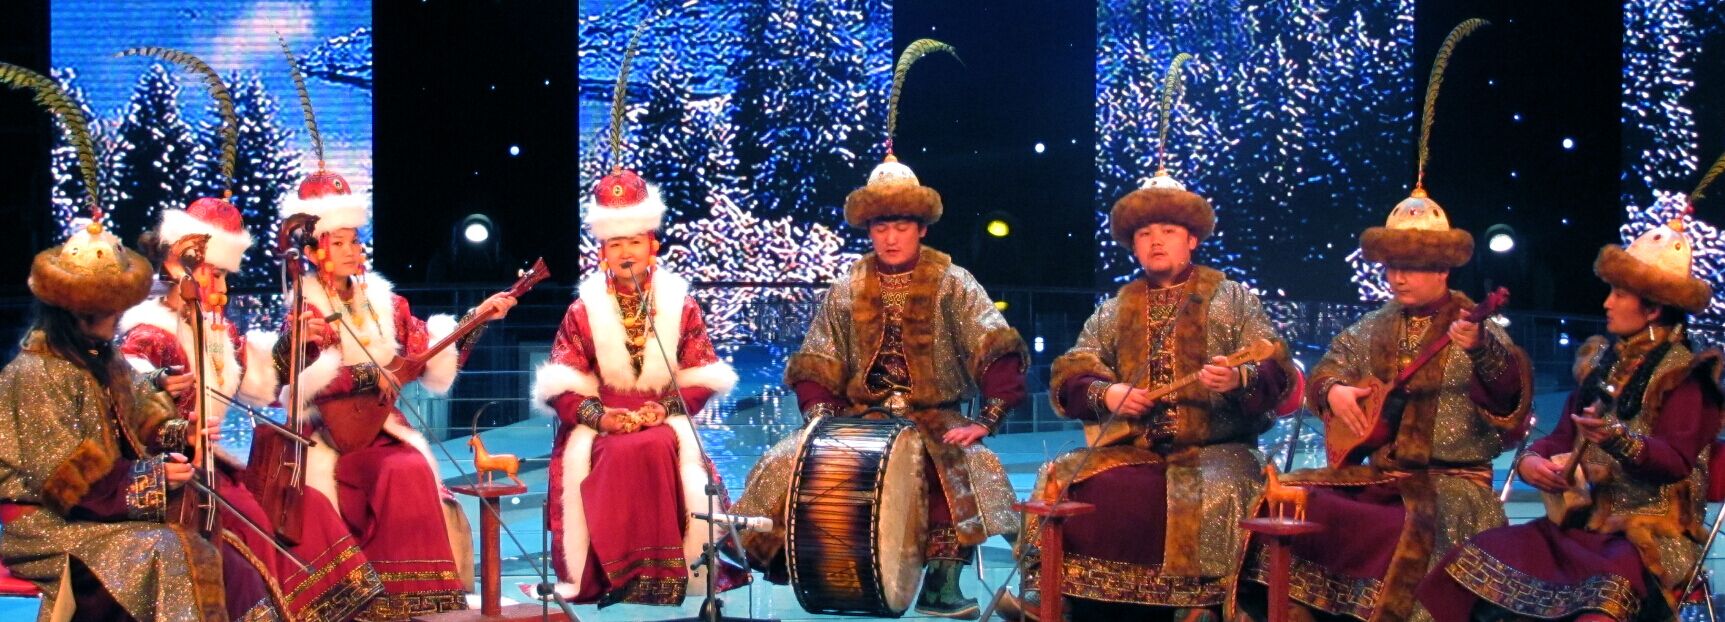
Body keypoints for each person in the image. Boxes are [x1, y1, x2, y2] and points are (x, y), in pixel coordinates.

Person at [1231, 21, 1532, 622]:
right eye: (1392, 266)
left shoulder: (1478, 328)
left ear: (1442, 268)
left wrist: (1479, 350)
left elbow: (1509, 400)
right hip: (1381, 476)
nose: (1396, 278)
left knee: (1402, 524)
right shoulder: (1371, 327)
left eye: (1410, 267)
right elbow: (1324, 374)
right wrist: (1335, 392)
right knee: (1291, 498)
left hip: (1453, 488)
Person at [731, 39, 1026, 619]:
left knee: (968, 470)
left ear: (921, 227)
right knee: (785, 463)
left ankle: (942, 586)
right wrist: (821, 421)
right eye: (881, 227)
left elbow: (996, 348)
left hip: (935, 418)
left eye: (902, 226)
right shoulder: (848, 286)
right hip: (858, 420)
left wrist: (986, 419)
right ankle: (800, 564)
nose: (891, 237)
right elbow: (817, 360)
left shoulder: (953, 282)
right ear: (870, 229)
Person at [0, 60, 244, 621]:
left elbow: (140, 411)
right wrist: (151, 477)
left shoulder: (101, 358)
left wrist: (181, 433)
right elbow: (64, 474)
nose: (117, 321)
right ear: (81, 311)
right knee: (167, 551)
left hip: (95, 513)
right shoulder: (34, 372)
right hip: (46, 524)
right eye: (109, 311)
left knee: (213, 545)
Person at [1417, 182, 1724, 621]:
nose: (1607, 303)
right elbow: (1558, 438)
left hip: (1650, 538)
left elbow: (1674, 461)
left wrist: (1616, 438)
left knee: (1598, 598)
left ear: (1654, 309)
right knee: (1470, 563)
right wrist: (1532, 463)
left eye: (1619, 294)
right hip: (1583, 526)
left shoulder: (1687, 378)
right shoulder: (1602, 365)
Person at [122, 196, 384, 621]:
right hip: (174, 479)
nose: (224, 289)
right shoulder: (148, 335)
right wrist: (175, 427)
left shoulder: (216, 330)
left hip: (215, 470)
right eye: (215, 275)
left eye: (225, 276)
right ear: (178, 269)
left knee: (311, 510)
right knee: (254, 527)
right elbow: (128, 410)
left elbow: (262, 380)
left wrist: (295, 345)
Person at [277, 155, 516, 619]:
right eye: (339, 242)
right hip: (329, 433)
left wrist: (478, 318)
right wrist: (370, 375)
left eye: (354, 240)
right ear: (315, 251)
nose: (352, 250)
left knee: (410, 466)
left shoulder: (386, 303)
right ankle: (377, 598)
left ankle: (411, 597)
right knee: (398, 471)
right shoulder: (305, 309)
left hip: (381, 427)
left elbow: (428, 352)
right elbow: (300, 381)